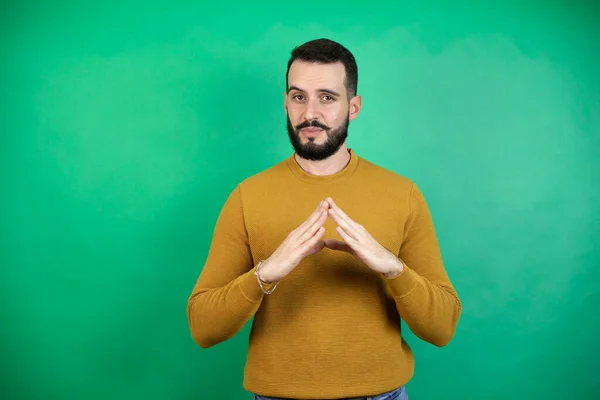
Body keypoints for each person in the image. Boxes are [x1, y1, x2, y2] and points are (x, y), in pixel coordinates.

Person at [186, 38, 462, 400]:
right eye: (299, 97)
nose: (310, 113)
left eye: (327, 98)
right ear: (285, 103)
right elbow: (203, 329)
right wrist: (266, 273)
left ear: (354, 106)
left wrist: (393, 268)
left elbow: (441, 329)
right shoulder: (247, 196)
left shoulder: (402, 194)